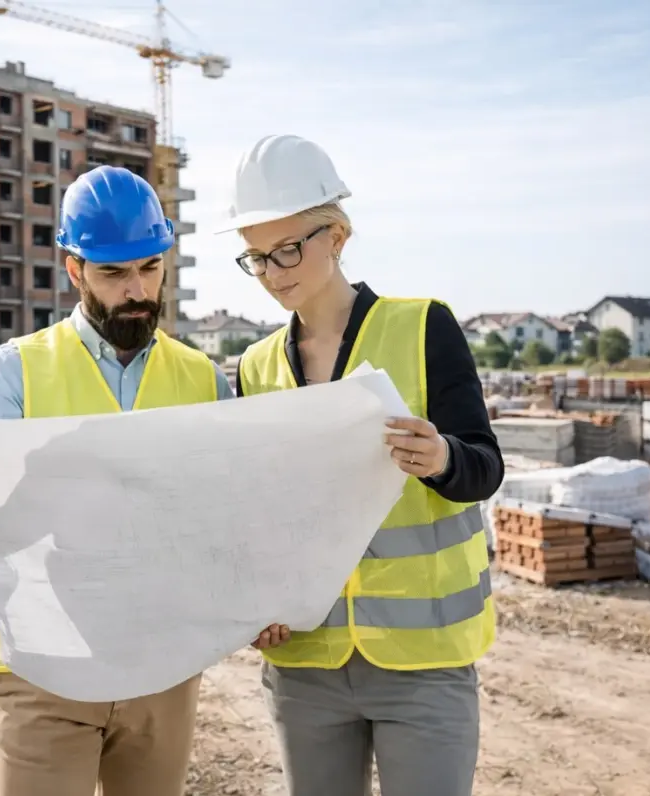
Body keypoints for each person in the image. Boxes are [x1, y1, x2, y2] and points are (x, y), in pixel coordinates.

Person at [0, 164, 234, 796]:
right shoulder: (14, 372)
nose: (137, 290)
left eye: (150, 268)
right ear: (75, 269)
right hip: (41, 667)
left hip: (161, 668)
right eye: (114, 273)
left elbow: (221, 517)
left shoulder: (204, 379)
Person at [217, 134, 505, 796]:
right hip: (304, 662)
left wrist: (441, 457)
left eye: (288, 249)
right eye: (256, 257)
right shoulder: (256, 366)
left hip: (422, 661)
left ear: (338, 235)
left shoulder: (422, 327)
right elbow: (255, 513)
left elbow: (484, 466)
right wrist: (253, 603)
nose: (273, 271)